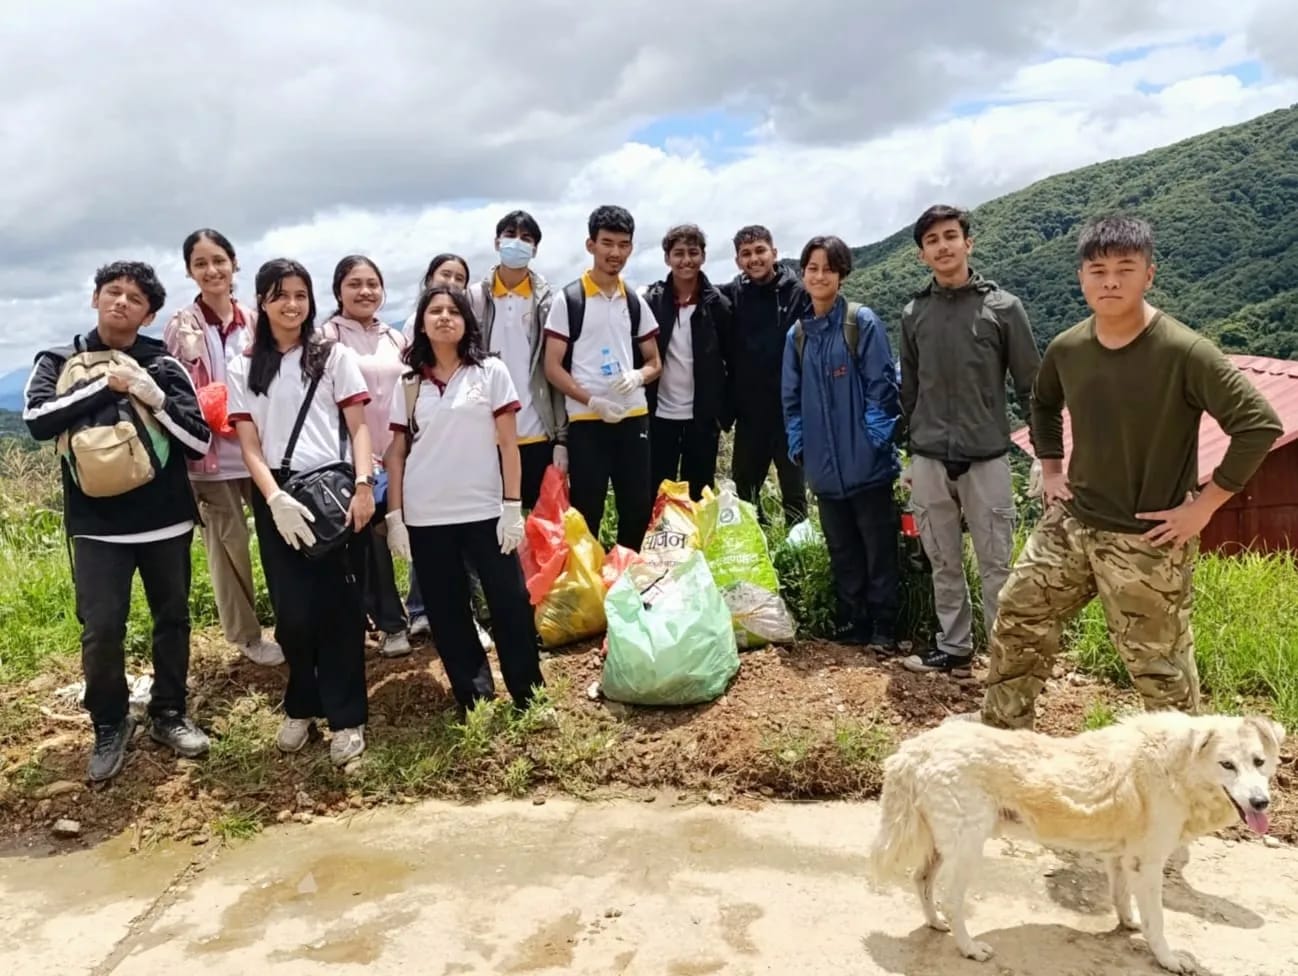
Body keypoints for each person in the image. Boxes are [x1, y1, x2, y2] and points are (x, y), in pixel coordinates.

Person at [973, 215, 1283, 730]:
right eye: (1098, 270)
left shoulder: (1185, 351)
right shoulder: (1069, 348)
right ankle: (1004, 744)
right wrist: (1051, 469)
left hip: (1148, 537)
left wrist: (1203, 508)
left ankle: (1184, 785)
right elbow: (1042, 402)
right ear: (1081, 279)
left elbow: (1258, 424)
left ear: (1149, 275)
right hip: (1072, 522)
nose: (1111, 281)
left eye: (1125, 268)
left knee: (1159, 669)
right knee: (1019, 619)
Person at [23, 261, 214, 781]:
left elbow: (199, 440)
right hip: (95, 524)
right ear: (95, 298)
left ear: (149, 312)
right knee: (101, 628)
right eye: (113, 292)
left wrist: (150, 392)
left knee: (171, 618)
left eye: (134, 298)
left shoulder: (164, 362)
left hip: (165, 518)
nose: (121, 302)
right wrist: (109, 386)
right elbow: (37, 421)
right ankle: (109, 722)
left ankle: (169, 712)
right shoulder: (59, 359)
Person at [227, 258, 376, 766]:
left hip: (333, 491)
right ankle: (302, 704)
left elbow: (358, 427)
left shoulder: (331, 356)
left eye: (300, 294)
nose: (292, 305)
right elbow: (248, 444)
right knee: (292, 617)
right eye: (279, 295)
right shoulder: (243, 364)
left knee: (338, 611)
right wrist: (273, 499)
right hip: (278, 496)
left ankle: (347, 718)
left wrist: (363, 487)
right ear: (261, 302)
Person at [383, 285, 545, 715]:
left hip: (485, 510)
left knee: (510, 603)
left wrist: (513, 507)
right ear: (421, 322)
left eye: (453, 311)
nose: (443, 317)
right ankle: (474, 697)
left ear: (466, 321)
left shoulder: (490, 371)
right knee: (447, 611)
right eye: (434, 310)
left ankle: (529, 695)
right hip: (427, 514)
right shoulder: (409, 382)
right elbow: (396, 452)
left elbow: (510, 446)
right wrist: (396, 516)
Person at [896, 205, 1042, 677]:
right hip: (930, 457)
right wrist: (909, 454)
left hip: (987, 457)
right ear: (922, 254)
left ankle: (1005, 657)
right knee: (942, 559)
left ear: (968, 243)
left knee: (997, 562)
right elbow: (910, 392)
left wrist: (1045, 454)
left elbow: (1030, 387)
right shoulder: (914, 313)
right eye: (932, 241)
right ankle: (953, 647)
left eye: (951, 236)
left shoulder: (1003, 308)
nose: (943, 246)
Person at [162, 229, 284, 668]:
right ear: (190, 271)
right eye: (200, 263)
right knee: (228, 545)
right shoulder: (181, 325)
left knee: (280, 539)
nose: (212, 270)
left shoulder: (256, 321)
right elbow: (175, 390)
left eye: (219, 260)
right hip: (209, 458)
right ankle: (247, 635)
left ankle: (292, 620)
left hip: (261, 450)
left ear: (234, 263)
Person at [782, 236, 902, 652]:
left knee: (878, 547)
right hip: (825, 469)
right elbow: (791, 400)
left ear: (842, 274)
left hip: (866, 465)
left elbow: (882, 389)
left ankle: (885, 627)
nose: (819, 276)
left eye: (828, 268)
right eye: (812, 268)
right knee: (843, 549)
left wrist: (874, 441)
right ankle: (855, 623)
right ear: (803, 274)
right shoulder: (798, 336)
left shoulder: (859, 322)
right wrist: (800, 446)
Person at [543, 205, 662, 550]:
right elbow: (553, 366)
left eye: (623, 244)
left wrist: (639, 376)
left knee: (637, 507)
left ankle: (629, 580)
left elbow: (656, 361)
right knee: (587, 508)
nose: (615, 252)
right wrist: (591, 400)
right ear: (590, 244)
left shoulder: (635, 301)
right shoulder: (569, 299)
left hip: (633, 417)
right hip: (587, 420)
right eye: (607, 243)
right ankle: (588, 587)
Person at [321, 255, 412, 658]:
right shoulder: (325, 337)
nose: (365, 291)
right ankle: (387, 624)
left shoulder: (396, 338)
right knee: (368, 538)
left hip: (400, 451)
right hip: (350, 456)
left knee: (412, 532)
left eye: (372, 283)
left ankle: (418, 613)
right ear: (338, 290)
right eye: (355, 284)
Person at [466, 210, 567, 508]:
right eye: (510, 235)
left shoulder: (549, 302)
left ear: (535, 249)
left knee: (541, 531)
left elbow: (556, 372)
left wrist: (561, 439)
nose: (517, 243)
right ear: (497, 242)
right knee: (489, 527)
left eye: (526, 238)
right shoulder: (474, 299)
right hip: (485, 437)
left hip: (537, 432)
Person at [399, 252, 469, 635]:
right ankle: (420, 609)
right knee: (426, 528)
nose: (453, 282)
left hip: (461, 444)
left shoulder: (463, 327)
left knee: (462, 532)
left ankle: (463, 611)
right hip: (421, 437)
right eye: (446, 274)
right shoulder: (417, 323)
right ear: (429, 278)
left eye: (461, 277)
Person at [724, 225, 812, 525]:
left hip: (791, 412)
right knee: (744, 491)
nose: (754, 258)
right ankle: (756, 550)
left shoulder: (799, 292)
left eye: (760, 251)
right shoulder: (733, 295)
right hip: (750, 413)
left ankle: (798, 556)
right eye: (746, 254)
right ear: (738, 261)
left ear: (774, 253)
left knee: (795, 494)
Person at [641, 223, 734, 500]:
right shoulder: (652, 302)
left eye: (693, 252)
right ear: (667, 258)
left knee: (699, 492)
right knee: (658, 490)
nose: (686, 260)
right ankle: (659, 543)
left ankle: (697, 544)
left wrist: (722, 414)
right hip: (660, 416)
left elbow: (732, 360)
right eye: (678, 253)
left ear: (703, 256)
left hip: (702, 419)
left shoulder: (718, 305)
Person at [402, 254, 470, 341]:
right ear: (429, 280)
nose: (452, 282)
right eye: (446, 275)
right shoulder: (413, 323)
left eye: (459, 279)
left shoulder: (470, 319)